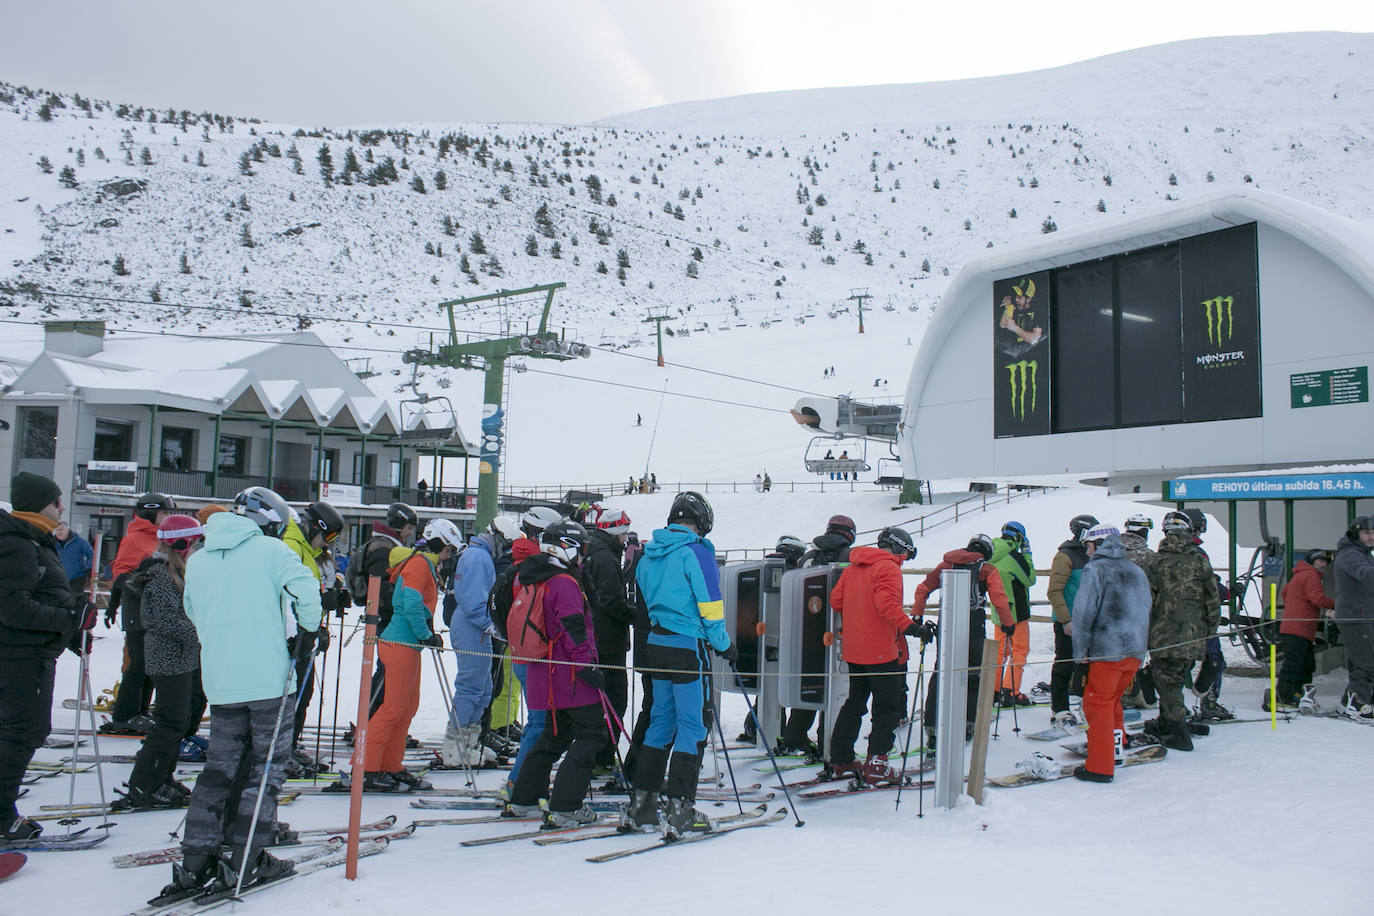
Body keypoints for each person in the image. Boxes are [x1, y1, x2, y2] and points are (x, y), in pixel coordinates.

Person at [163, 486, 323, 898]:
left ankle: (196, 859)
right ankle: (246, 858)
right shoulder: (272, 552)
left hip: (222, 682)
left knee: (219, 771)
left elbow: (192, 610)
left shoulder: (199, 559)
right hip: (270, 681)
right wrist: (308, 632)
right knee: (264, 770)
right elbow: (308, 590)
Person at [620, 492, 733, 838]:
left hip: (656, 643)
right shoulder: (695, 552)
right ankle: (681, 808)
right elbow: (710, 605)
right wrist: (724, 645)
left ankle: (642, 804)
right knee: (693, 724)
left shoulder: (649, 554)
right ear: (702, 522)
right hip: (687, 646)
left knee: (661, 722)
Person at [0, 473, 90, 843]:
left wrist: (73, 628)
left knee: (18, 731)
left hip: (28, 652)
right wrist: (68, 619)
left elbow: (42, 597)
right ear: (39, 505)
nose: (62, 508)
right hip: (21, 656)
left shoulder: (32, 538)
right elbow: (13, 608)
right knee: (23, 732)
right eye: (56, 502)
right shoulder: (20, 543)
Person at [508, 521, 610, 826]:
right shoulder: (563, 582)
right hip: (569, 676)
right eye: (581, 549)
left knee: (555, 735)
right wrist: (587, 665)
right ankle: (566, 806)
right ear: (567, 547)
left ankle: (524, 798)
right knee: (592, 734)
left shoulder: (535, 575)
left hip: (545, 673)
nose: (583, 556)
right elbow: (573, 629)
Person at [113, 515, 207, 810]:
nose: (197, 549)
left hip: (180, 658)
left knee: (178, 721)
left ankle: (162, 776)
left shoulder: (177, 574)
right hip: (168, 660)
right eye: (194, 543)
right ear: (181, 545)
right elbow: (163, 620)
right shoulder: (160, 576)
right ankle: (145, 783)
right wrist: (201, 631)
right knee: (169, 722)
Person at [361, 520, 459, 791]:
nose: (449, 555)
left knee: (407, 709)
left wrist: (426, 633)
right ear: (440, 545)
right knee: (392, 709)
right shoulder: (418, 564)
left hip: (409, 645)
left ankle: (391, 765)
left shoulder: (426, 565)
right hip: (400, 643)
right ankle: (367, 768)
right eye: (449, 549)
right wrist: (425, 633)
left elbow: (417, 604)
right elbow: (411, 602)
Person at [827, 527, 922, 785]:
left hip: (854, 649)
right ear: (898, 548)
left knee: (855, 702)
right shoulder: (888, 568)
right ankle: (878, 762)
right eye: (905, 554)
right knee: (888, 706)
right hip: (880, 649)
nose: (904, 560)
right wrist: (912, 628)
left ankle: (841, 757)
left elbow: (836, 601)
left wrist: (859, 614)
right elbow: (886, 604)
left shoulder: (853, 568)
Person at [1069, 526, 1151, 783]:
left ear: (1099, 544)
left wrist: (1080, 652)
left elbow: (1084, 613)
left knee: (1097, 705)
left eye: (1089, 546)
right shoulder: (1136, 570)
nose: (1087, 552)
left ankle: (1100, 766)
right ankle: (1117, 746)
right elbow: (1146, 608)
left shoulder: (1096, 570)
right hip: (1134, 651)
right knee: (1113, 700)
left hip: (1107, 651)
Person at [914, 534, 1011, 747]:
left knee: (941, 672)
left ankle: (932, 725)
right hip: (974, 624)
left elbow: (923, 588)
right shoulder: (987, 569)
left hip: (947, 623)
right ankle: (968, 723)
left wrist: (917, 615)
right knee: (973, 673)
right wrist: (1008, 623)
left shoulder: (946, 565)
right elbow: (1000, 600)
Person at [494, 507, 561, 797]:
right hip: (535, 655)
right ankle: (520, 783)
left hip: (522, 650)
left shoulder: (520, 561)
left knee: (540, 721)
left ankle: (527, 780)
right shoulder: (536, 566)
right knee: (540, 722)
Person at [778, 515, 856, 756]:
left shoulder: (809, 556)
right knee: (838, 687)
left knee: (810, 684)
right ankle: (828, 743)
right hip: (838, 629)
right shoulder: (849, 557)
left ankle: (794, 736)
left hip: (805, 628)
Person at [442, 516, 517, 767]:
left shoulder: (481, 555)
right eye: (507, 545)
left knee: (484, 688)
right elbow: (472, 599)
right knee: (471, 686)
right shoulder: (478, 557)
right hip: (471, 625)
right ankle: (455, 745)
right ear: (499, 539)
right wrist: (491, 625)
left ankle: (470, 741)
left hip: (477, 625)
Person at [1143, 511, 1221, 751]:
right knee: (1173, 679)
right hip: (1194, 635)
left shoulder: (1155, 562)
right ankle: (1167, 721)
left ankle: (1178, 731)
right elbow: (1213, 599)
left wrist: (1145, 633)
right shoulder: (1199, 560)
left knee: (1166, 681)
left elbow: (1147, 601)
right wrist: (1209, 631)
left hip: (1164, 635)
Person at [105, 491, 178, 735]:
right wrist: (140, 584)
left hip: (154, 611)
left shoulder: (160, 537)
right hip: (138, 612)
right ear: (150, 513)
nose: (168, 516)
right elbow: (120, 573)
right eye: (164, 512)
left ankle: (141, 710)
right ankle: (125, 714)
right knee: (138, 665)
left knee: (149, 665)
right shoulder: (136, 538)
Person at [281, 500, 346, 775]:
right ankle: (280, 748)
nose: (326, 544)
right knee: (291, 693)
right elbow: (289, 591)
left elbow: (309, 589)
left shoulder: (306, 549)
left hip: (305, 631)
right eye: (327, 537)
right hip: (290, 634)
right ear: (315, 528)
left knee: (303, 692)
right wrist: (321, 602)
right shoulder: (291, 546)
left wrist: (329, 599)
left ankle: (289, 744)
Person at [584, 507, 634, 774]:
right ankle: (600, 756)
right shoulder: (604, 556)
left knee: (601, 701)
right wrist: (637, 616)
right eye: (624, 533)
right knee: (616, 700)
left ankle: (596, 755)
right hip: (608, 639)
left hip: (598, 636)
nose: (626, 539)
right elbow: (611, 600)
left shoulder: (595, 550)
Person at [361, 502, 418, 721]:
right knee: (387, 672)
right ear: (399, 525)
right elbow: (379, 585)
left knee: (387, 671)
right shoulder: (384, 548)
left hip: (385, 617)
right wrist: (403, 599)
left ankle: (374, 721)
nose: (410, 533)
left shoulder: (387, 545)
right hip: (385, 618)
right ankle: (372, 721)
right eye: (409, 528)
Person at [1046, 514, 1099, 732]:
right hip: (1068, 622)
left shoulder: (1093, 555)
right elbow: (1054, 590)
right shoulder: (1065, 556)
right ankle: (1060, 709)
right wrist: (1066, 620)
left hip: (1089, 622)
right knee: (1065, 664)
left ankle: (1088, 705)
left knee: (1090, 666)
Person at [1265, 549, 1334, 712]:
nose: (1324, 564)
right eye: (1320, 560)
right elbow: (1318, 599)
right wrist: (1339, 604)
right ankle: (1285, 697)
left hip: (1293, 627)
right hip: (1300, 628)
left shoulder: (1299, 575)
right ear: (1311, 561)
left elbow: (1285, 593)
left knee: (1304, 664)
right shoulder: (1311, 576)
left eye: (1326, 562)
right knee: (1296, 665)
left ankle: (1296, 696)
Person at [1183, 508, 1232, 721]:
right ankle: (1209, 702)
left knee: (1178, 663)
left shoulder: (1165, 554)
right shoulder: (1197, 553)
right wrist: (1227, 592)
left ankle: (1174, 706)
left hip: (1174, 621)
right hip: (1200, 620)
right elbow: (1208, 586)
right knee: (1214, 660)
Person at [989, 520, 1035, 706]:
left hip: (998, 612)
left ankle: (993, 691)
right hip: (1017, 612)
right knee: (1019, 650)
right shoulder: (1013, 557)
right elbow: (1030, 579)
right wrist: (1027, 555)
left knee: (999, 652)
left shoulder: (991, 553)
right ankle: (1010, 691)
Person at [1332, 516, 1374, 717]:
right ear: (1355, 534)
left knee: (1365, 661)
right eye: (1366, 533)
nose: (1371, 537)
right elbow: (1366, 574)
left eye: (1373, 533)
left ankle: (1351, 701)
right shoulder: (1350, 554)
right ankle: (1357, 704)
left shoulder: (1364, 554)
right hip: (1356, 617)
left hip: (1364, 615)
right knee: (1365, 663)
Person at [1118, 513, 1158, 709]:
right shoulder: (1147, 556)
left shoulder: (1111, 552)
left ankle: (1116, 692)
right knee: (1134, 657)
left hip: (1112, 614)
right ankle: (1131, 692)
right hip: (1138, 615)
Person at [53, 520, 94, 595]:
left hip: (77, 578)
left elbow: (92, 555)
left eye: (61, 529)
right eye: (57, 530)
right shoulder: (52, 542)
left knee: (74, 599)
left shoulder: (79, 541)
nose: (59, 532)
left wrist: (88, 568)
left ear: (68, 530)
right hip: (58, 578)